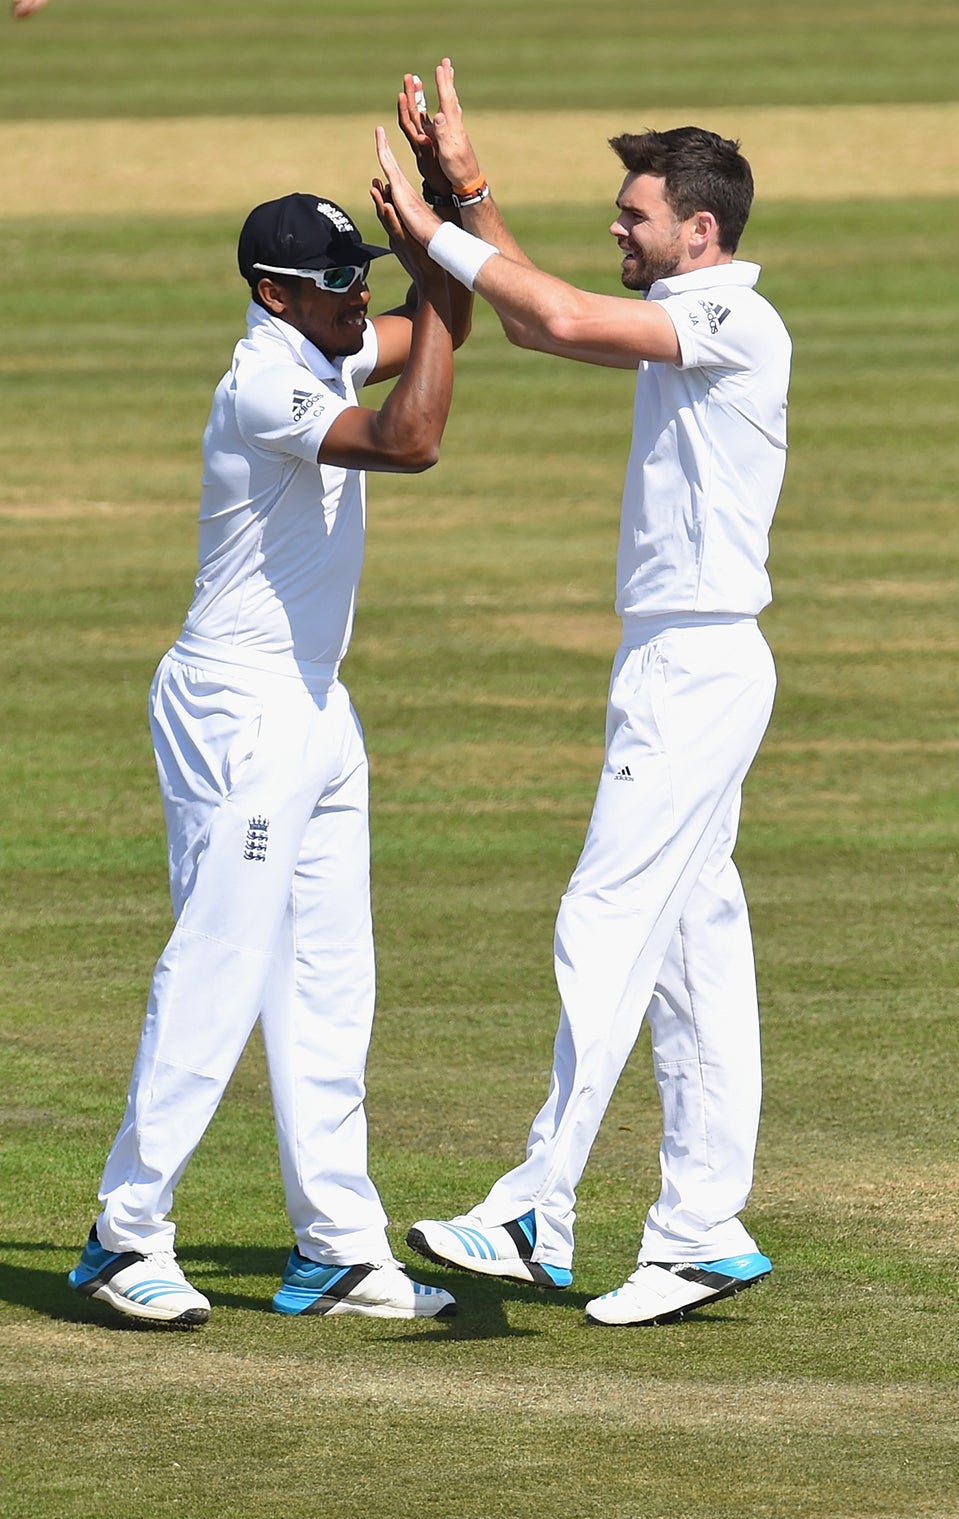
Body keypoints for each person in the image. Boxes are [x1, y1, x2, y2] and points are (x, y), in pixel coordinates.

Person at [377, 62, 788, 1326]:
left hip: (697, 665)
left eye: (633, 216)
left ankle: (533, 1210)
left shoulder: (734, 320)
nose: (617, 230)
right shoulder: (685, 307)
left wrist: (436, 230)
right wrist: (468, 185)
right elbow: (532, 313)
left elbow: (551, 319)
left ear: (698, 232)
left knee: (602, 922)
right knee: (688, 946)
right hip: (682, 661)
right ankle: (702, 1229)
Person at [68, 170, 474, 1325]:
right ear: (273, 295)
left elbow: (450, 325)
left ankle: (339, 1249)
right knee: (219, 967)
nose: (361, 299)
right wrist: (442, 281)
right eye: (339, 284)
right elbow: (414, 439)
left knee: (327, 979)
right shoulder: (262, 380)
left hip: (314, 706)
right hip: (235, 710)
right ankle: (121, 1237)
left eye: (365, 278)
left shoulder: (323, 348)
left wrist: (447, 228)